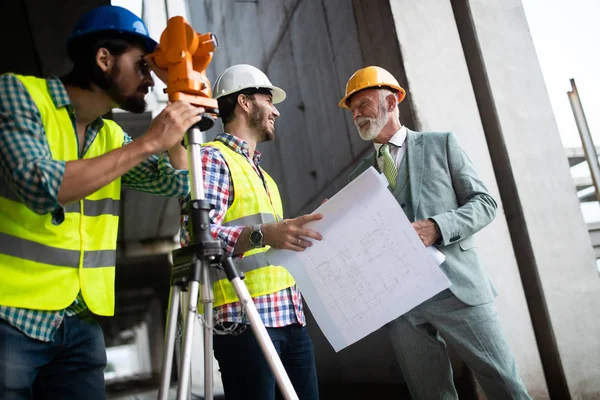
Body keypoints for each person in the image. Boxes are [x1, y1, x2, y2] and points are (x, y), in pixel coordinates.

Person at [0, 5, 204, 399]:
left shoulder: (110, 136)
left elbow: (181, 183)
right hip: (11, 317)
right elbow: (39, 185)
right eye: (142, 66)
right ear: (103, 58)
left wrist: (177, 99)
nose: (149, 78)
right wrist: (149, 142)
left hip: (79, 323)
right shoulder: (20, 93)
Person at [339, 66, 531, 399]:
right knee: (430, 395)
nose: (356, 114)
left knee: (504, 384)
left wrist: (437, 227)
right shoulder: (359, 176)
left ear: (392, 100)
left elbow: (485, 203)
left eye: (363, 103)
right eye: (352, 109)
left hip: (458, 290)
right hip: (400, 304)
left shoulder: (441, 144)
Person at [179, 64, 322, 400]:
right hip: (245, 322)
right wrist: (261, 234)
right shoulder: (212, 159)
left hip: (290, 318)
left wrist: (317, 223)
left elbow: (275, 241)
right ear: (244, 102)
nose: (275, 110)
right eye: (268, 99)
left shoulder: (263, 175)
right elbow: (195, 236)